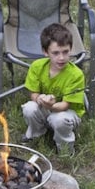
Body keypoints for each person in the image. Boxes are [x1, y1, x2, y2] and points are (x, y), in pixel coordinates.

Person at [21, 23, 86, 157]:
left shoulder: (76, 75)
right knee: (29, 107)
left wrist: (51, 105)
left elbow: (65, 105)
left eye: (65, 52)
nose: (61, 58)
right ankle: (36, 135)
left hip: (67, 112)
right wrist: (39, 99)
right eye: (55, 53)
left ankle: (65, 148)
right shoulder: (37, 66)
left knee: (59, 120)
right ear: (45, 52)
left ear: (71, 49)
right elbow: (33, 93)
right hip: (47, 106)